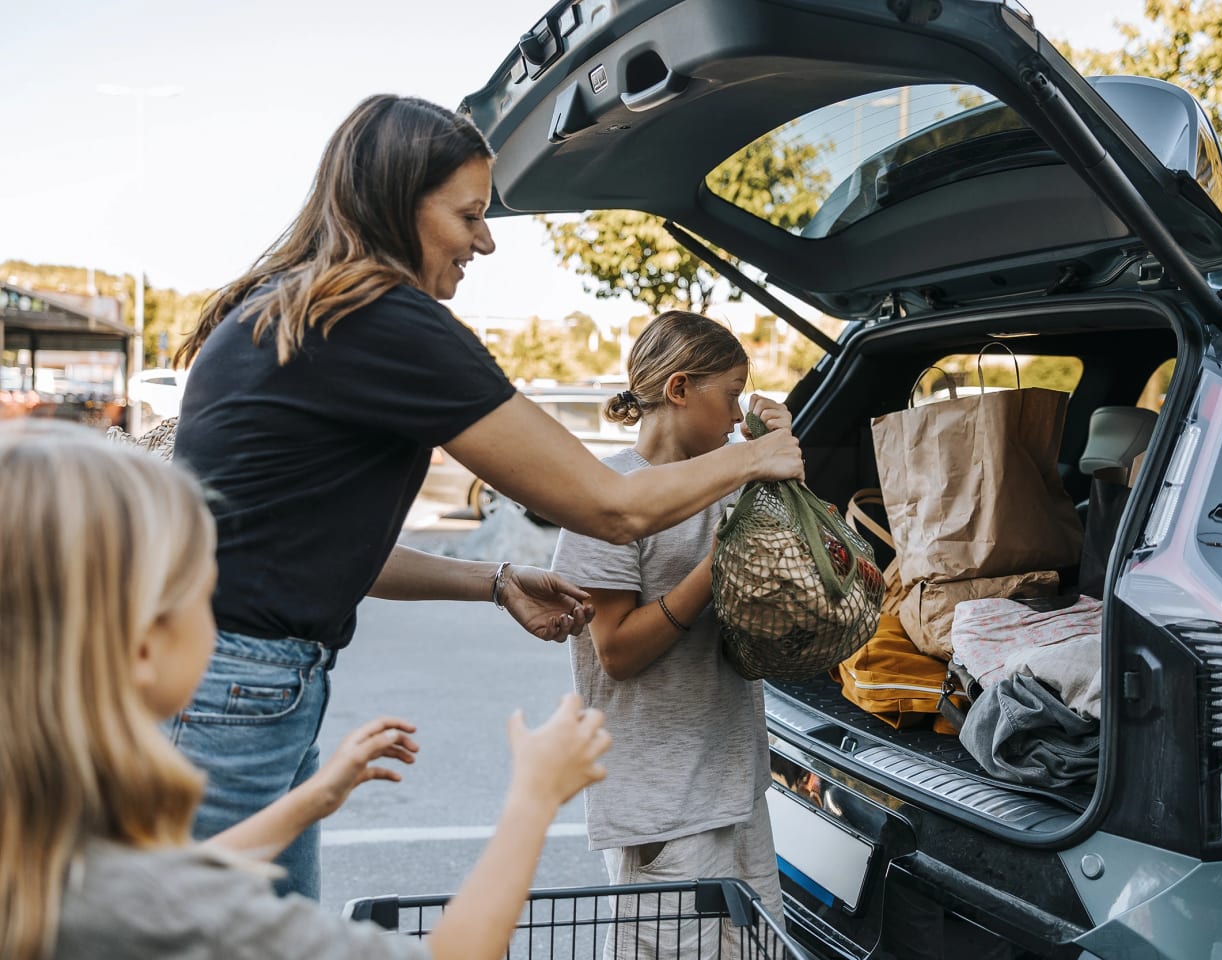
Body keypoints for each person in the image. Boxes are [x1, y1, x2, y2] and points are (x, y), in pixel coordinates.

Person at [167, 94, 803, 898]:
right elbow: (613, 508)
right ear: (400, 205)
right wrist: (757, 458)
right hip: (238, 693)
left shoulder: (296, 308)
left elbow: (324, 555)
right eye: (469, 215)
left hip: (223, 682)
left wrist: (495, 582)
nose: (487, 240)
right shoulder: (385, 321)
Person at [0, 420, 612, 960]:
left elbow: (173, 881)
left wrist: (313, 799)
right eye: (210, 594)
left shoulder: (50, 846)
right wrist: (535, 794)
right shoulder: (139, 900)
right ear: (141, 646)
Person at [549, 311, 786, 959]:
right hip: (663, 809)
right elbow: (617, 651)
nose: (736, 416)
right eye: (731, 394)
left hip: (738, 791)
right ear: (679, 388)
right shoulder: (606, 497)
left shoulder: (726, 484)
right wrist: (715, 568)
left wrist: (773, 463)